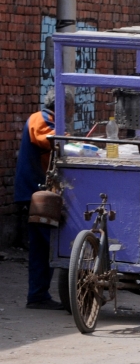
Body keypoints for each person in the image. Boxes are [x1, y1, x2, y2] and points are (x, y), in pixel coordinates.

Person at [14, 92, 62, 310]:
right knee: (46, 242)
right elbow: (51, 141)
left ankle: (38, 294)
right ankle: (38, 294)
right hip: (35, 190)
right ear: (63, 105)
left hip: (37, 189)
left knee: (43, 245)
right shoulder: (39, 118)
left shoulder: (48, 118)